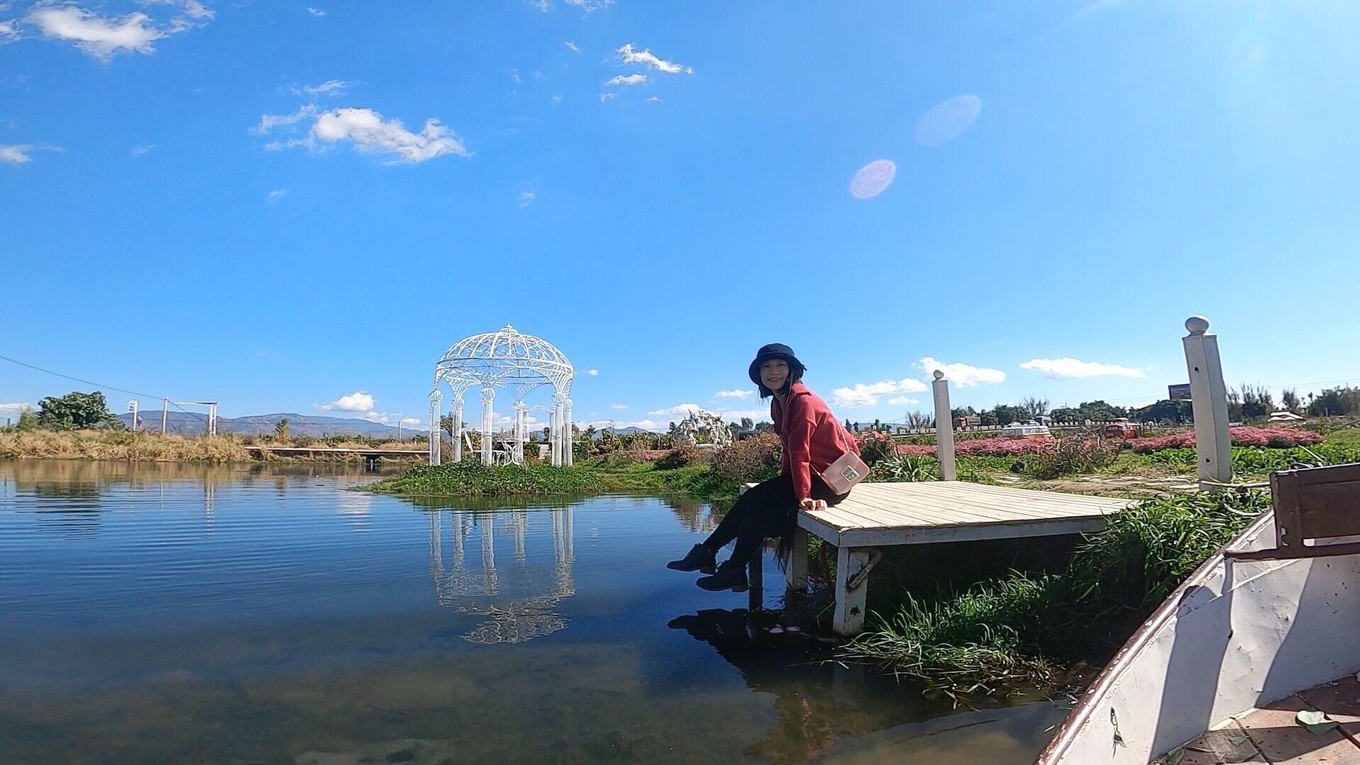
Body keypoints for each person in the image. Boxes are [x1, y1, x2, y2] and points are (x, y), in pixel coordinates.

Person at [667, 343, 860, 592]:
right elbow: (789, 451)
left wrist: (801, 496)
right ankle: (730, 566)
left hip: (831, 481)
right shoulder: (779, 403)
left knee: (755, 503)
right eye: (766, 367)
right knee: (756, 502)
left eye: (781, 365)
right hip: (811, 476)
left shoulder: (803, 402)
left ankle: (715, 556)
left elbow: (801, 451)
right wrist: (781, 486)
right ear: (759, 375)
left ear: (792, 370)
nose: (774, 372)